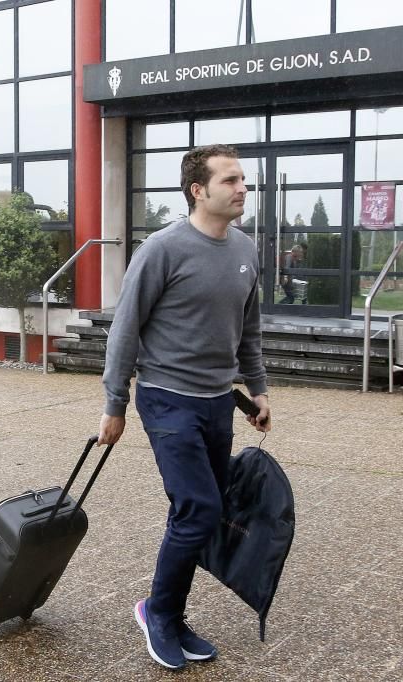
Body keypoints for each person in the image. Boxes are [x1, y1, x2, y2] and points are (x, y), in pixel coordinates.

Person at [98, 144, 271, 670]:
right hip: (167, 400)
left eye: (243, 180)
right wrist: (115, 403)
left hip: (219, 401)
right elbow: (125, 329)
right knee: (200, 509)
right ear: (199, 190)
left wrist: (257, 390)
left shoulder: (244, 249)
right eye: (231, 181)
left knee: (195, 513)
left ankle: (169, 612)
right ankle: (159, 613)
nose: (242, 189)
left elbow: (249, 328)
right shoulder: (162, 249)